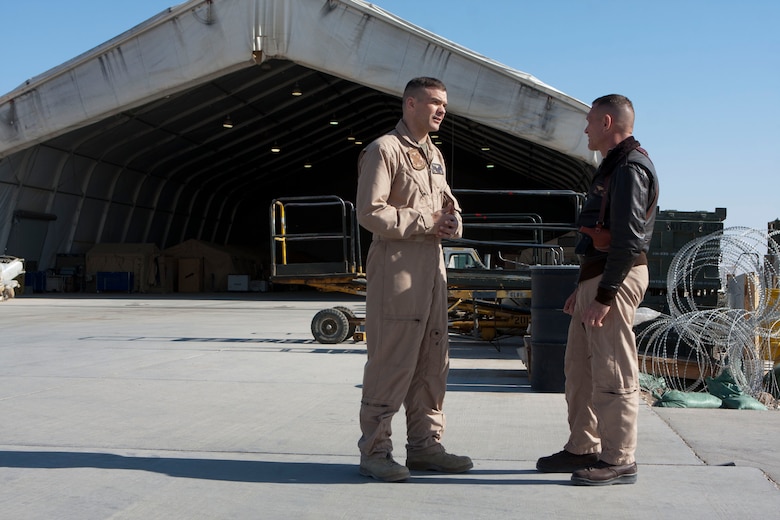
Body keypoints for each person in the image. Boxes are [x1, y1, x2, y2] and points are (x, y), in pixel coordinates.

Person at [536, 94, 659, 486]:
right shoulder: (613, 167)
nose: (585, 129)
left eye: (590, 121)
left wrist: (605, 295)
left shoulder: (630, 169)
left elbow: (627, 240)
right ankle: (583, 446)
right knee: (580, 370)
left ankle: (620, 458)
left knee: (612, 369)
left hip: (615, 278)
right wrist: (583, 287)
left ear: (608, 122)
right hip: (598, 276)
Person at [355, 77, 473, 482]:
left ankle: (424, 446)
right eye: (435, 102)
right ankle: (375, 451)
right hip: (398, 269)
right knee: (392, 360)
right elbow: (370, 212)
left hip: (433, 269)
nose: (442, 110)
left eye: (444, 104)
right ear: (410, 104)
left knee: (432, 360)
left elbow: (446, 205)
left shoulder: (434, 155)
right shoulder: (384, 150)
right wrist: (428, 221)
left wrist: (453, 221)